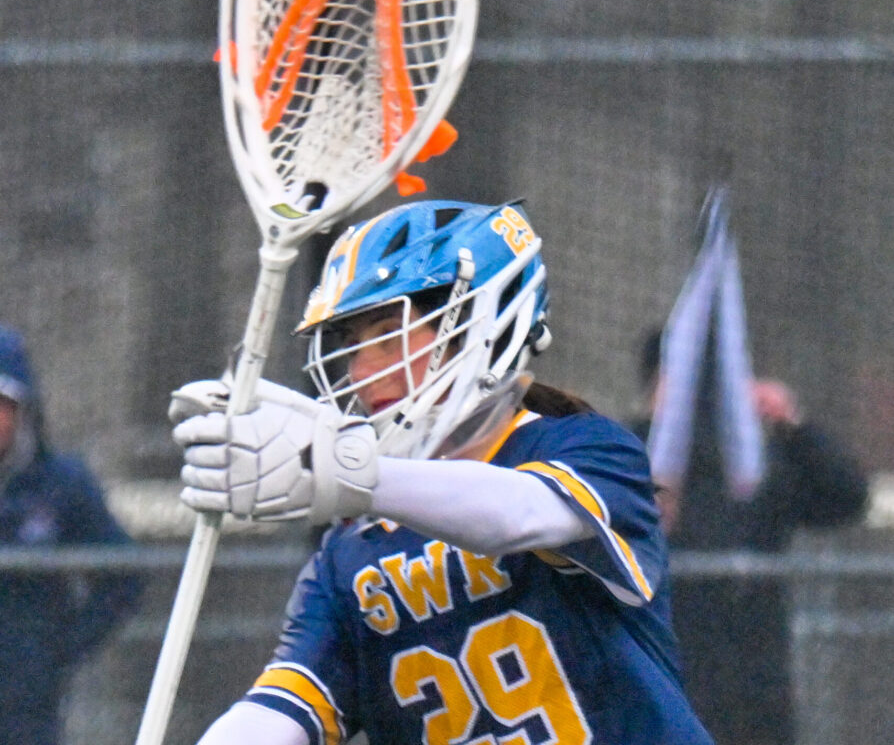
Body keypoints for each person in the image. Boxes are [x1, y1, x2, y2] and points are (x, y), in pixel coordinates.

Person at [170, 199, 714, 745]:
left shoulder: (585, 448)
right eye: (351, 346)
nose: (362, 372)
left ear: (484, 321)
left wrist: (345, 468)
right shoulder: (349, 552)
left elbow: (515, 514)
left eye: (388, 335)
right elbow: (280, 709)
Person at [632, 327, 868, 745]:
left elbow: (845, 497)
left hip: (752, 679)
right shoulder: (631, 455)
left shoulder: (753, 468)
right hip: (665, 669)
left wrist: (793, 425)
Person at [0, 325, 144, 745]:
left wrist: (57, 648)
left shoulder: (61, 484)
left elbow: (122, 574)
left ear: (24, 409)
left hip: (26, 703)